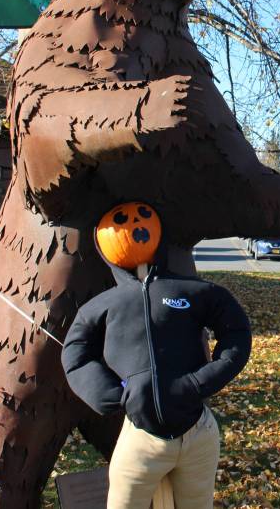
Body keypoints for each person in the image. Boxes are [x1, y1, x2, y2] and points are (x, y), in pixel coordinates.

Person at [62, 206, 252, 509]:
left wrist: (200, 382)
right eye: (121, 222)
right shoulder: (102, 307)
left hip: (198, 436)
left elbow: (237, 331)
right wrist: (117, 396)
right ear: (103, 244)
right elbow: (75, 355)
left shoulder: (192, 292)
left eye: (141, 216)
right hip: (140, 439)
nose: (133, 225)